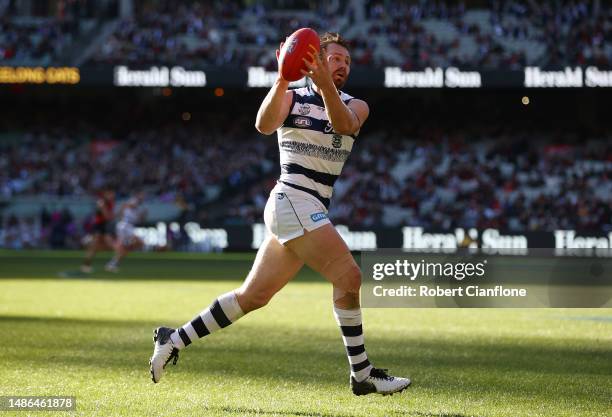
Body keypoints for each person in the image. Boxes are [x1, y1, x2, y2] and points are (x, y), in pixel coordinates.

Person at [149, 32, 411, 396]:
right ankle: (362, 374)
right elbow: (263, 125)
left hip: (308, 206)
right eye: (335, 58)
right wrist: (284, 75)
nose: (343, 66)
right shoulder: (290, 96)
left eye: (347, 62)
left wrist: (324, 87)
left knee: (252, 297)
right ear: (314, 59)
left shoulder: (356, 105)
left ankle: (173, 338)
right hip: (293, 199)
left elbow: (345, 125)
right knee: (349, 278)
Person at [105, 192, 146, 272]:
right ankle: (115, 259)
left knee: (127, 247)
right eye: (142, 195)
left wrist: (142, 215)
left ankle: (113, 263)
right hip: (125, 226)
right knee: (139, 242)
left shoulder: (139, 207)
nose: (143, 197)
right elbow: (126, 205)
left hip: (129, 226)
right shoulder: (134, 201)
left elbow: (139, 220)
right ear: (138, 195)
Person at [81, 189, 115, 273]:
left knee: (105, 246)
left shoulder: (110, 203)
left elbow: (109, 216)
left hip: (104, 226)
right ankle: (86, 265)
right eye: (110, 194)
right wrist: (116, 214)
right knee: (95, 247)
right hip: (98, 227)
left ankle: (110, 264)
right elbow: (108, 217)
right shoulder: (101, 203)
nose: (112, 196)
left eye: (113, 194)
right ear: (106, 194)